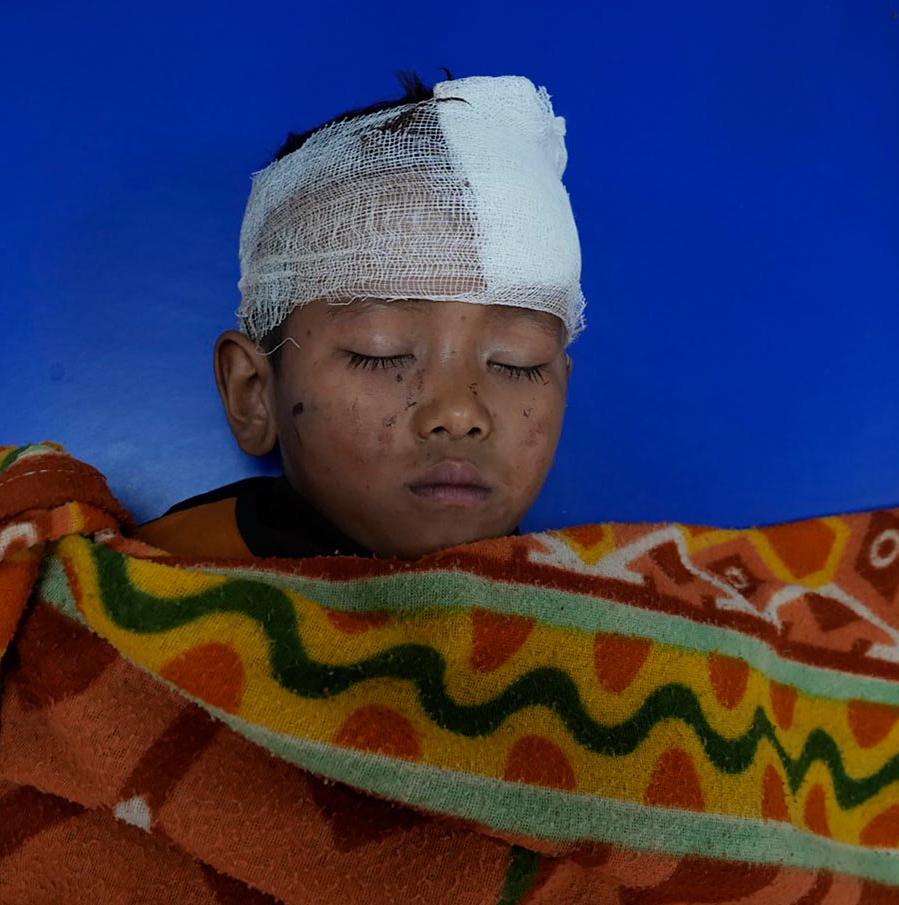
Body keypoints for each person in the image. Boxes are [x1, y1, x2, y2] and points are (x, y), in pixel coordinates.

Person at [136, 70, 585, 561]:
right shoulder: (137, 584)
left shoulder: (622, 612)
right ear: (254, 392)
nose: (459, 414)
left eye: (518, 360)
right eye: (381, 350)